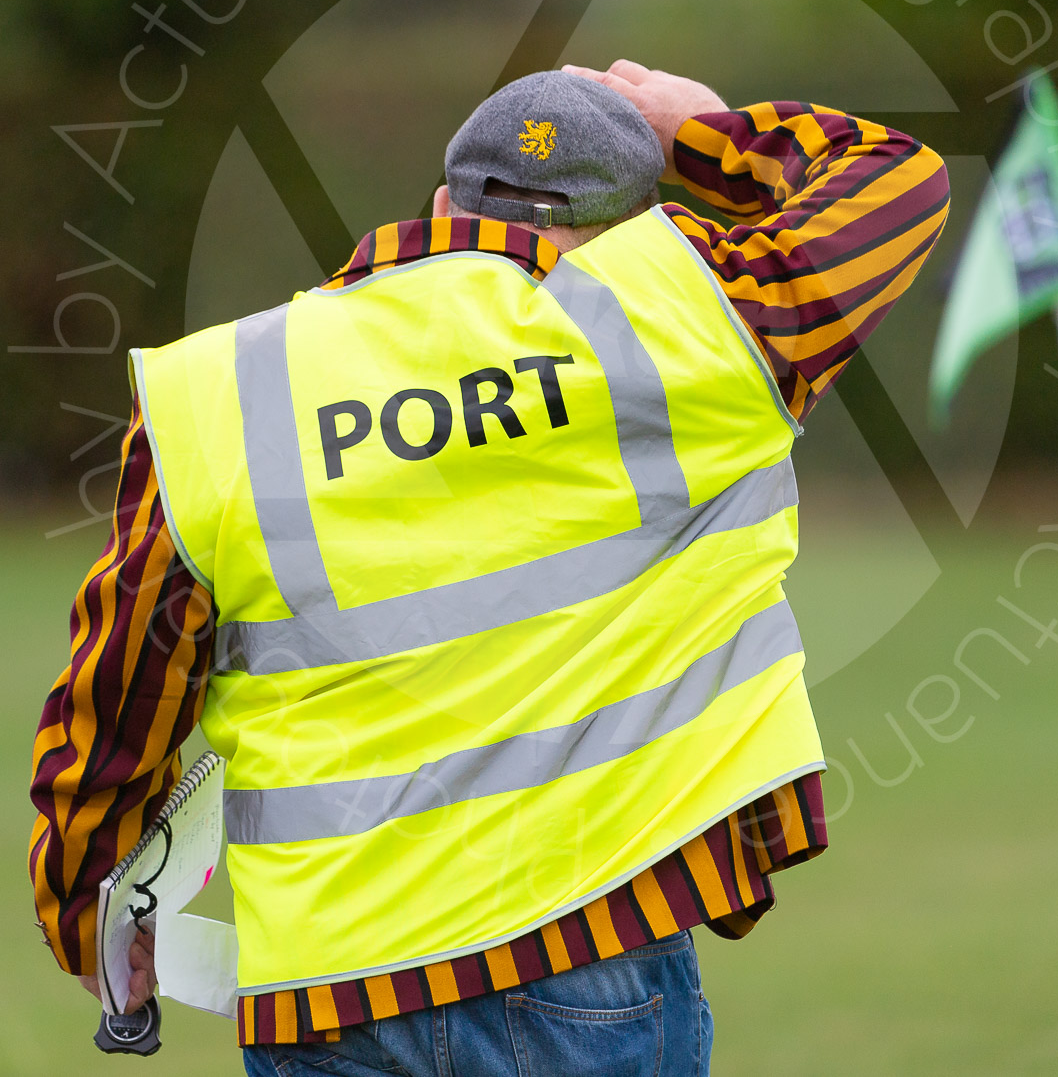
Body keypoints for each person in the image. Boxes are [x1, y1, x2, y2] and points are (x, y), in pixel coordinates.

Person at [30, 60, 950, 1076]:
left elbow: (121, 684)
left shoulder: (222, 392)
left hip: (331, 988)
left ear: (440, 204)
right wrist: (696, 128)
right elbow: (895, 183)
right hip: (589, 954)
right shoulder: (690, 322)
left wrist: (90, 907)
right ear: (630, 234)